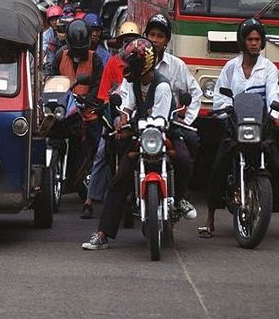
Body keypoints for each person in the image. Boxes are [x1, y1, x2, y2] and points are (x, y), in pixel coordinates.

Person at [82, 38, 195, 250]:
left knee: (184, 159)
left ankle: (179, 199)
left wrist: (136, 125)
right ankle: (102, 233)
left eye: (129, 63)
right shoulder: (132, 83)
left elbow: (160, 120)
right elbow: (126, 105)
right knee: (119, 179)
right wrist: (122, 118)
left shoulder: (161, 86)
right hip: (140, 136)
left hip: (163, 134)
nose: (124, 67)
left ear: (142, 64)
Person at [198, 18, 279, 239]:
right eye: (250, 39)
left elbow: (274, 93)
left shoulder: (269, 68)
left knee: (278, 168)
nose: (254, 43)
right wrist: (224, 112)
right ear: (242, 42)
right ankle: (210, 219)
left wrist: (274, 115)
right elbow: (220, 94)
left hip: (260, 125)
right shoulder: (231, 67)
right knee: (218, 166)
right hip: (235, 124)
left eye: (257, 39)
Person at [142, 13, 201, 210]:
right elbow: (126, 96)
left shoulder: (177, 66)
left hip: (170, 127)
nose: (155, 40)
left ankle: (180, 196)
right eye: (151, 35)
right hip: (141, 127)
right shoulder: (136, 61)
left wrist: (188, 120)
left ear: (167, 41)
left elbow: (195, 93)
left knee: (187, 153)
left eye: (160, 36)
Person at [81, 21, 140, 219]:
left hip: (137, 117)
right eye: (126, 41)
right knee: (101, 153)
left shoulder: (143, 63)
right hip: (115, 114)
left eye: (133, 40)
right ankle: (90, 201)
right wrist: (113, 112)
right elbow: (104, 94)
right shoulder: (113, 63)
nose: (130, 44)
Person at [48, 19, 104, 198]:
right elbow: (51, 78)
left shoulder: (95, 59)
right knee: (51, 135)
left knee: (95, 143)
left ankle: (91, 177)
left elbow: (97, 84)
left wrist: (89, 100)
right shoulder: (59, 55)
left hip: (87, 110)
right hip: (65, 108)